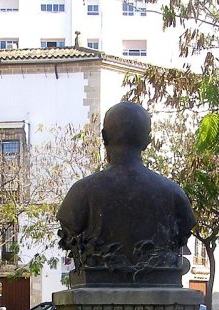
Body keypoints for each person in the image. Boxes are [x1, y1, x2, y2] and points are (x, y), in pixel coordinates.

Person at [57, 101, 196, 288]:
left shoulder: (80, 192)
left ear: (104, 137)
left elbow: (69, 228)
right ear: (147, 141)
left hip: (95, 293)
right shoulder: (175, 194)